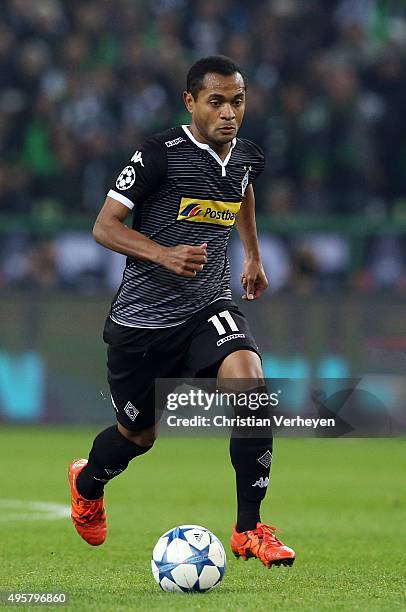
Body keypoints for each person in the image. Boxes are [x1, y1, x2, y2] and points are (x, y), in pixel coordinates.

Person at [68, 55, 295, 568]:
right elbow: (104, 227)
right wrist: (163, 253)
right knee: (137, 436)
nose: (229, 113)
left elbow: (242, 190)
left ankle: (248, 529)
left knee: (251, 387)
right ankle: (87, 483)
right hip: (141, 324)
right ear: (190, 102)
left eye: (237, 101)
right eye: (216, 102)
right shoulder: (158, 155)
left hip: (206, 308)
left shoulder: (247, 156)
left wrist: (253, 254)